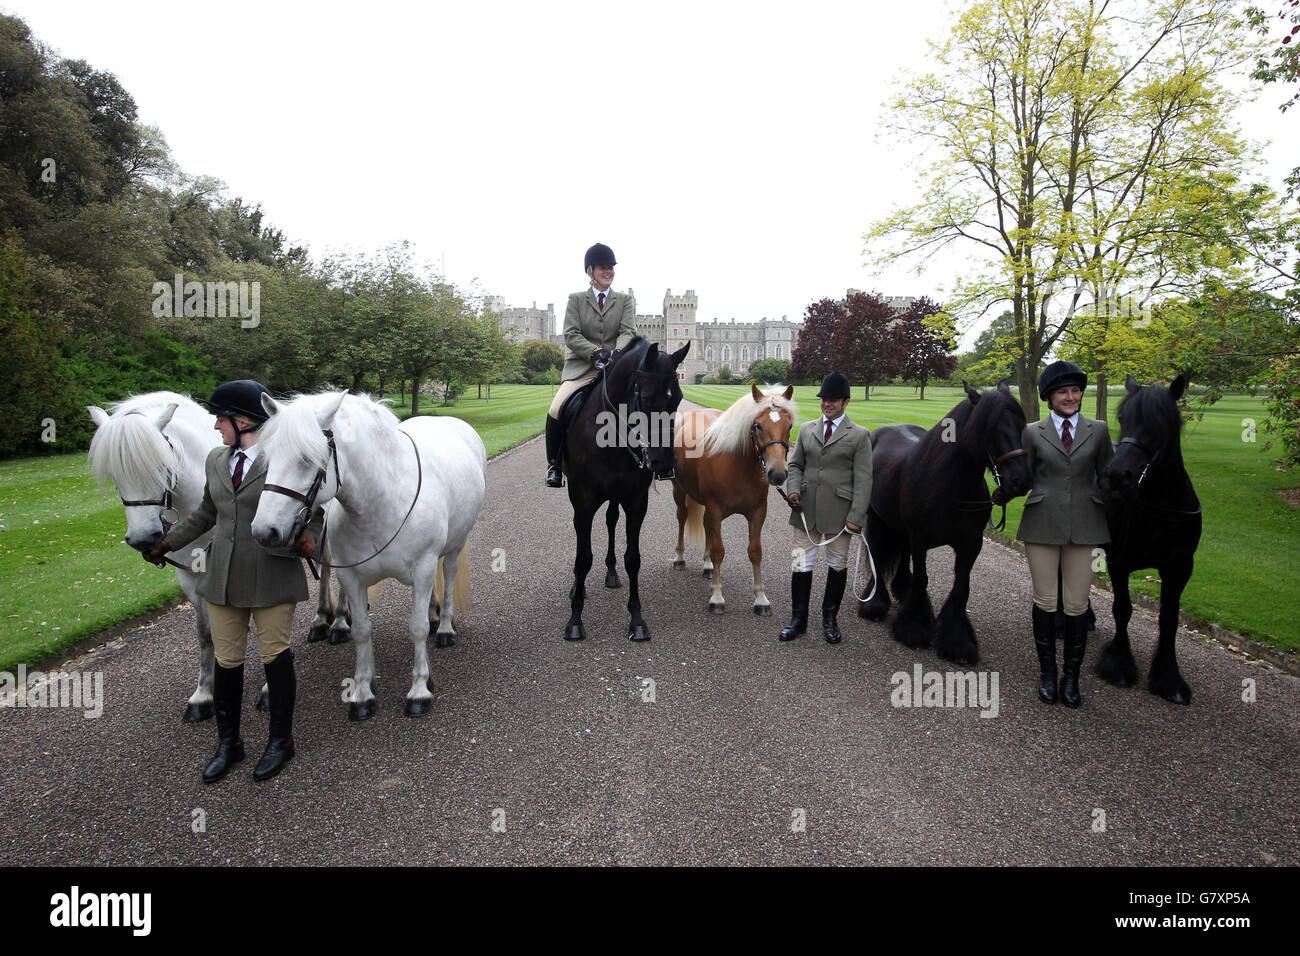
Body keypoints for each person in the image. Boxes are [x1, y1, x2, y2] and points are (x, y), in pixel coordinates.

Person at [143, 380, 322, 782]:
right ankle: (229, 744)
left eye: (220, 419)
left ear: (243, 421)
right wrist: (166, 542)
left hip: (271, 570)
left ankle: (280, 742)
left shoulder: (284, 457)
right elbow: (207, 512)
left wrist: (311, 536)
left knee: (275, 656)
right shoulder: (215, 460)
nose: (215, 427)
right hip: (221, 575)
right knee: (227, 661)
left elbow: (314, 504)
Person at [1017, 360, 1114, 708]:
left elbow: (1108, 475)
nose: (1071, 397)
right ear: (1049, 397)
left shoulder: (1099, 430)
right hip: (1042, 523)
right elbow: (1024, 475)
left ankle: (1070, 678)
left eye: (1075, 391)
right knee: (1045, 601)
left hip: (1087, 525)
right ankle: (1047, 674)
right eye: (1063, 392)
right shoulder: (1032, 432)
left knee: (1077, 604)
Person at [780, 372, 873, 644]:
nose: (827, 404)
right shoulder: (808, 428)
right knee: (800, 563)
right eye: (824, 400)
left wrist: (856, 517)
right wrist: (793, 490)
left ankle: (830, 619)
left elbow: (864, 480)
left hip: (840, 515)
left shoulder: (859, 435)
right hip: (804, 512)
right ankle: (798, 619)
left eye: (833, 400)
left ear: (846, 402)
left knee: (837, 566)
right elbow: (795, 465)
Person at [545, 242, 637, 486]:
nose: (609, 271)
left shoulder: (625, 301)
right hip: (582, 369)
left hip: (616, 367)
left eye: (611, 267)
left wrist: (617, 353)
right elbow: (571, 335)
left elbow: (628, 331)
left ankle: (649, 459)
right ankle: (554, 464)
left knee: (644, 403)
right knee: (555, 409)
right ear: (590, 271)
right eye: (603, 267)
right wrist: (596, 352)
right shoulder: (575, 300)